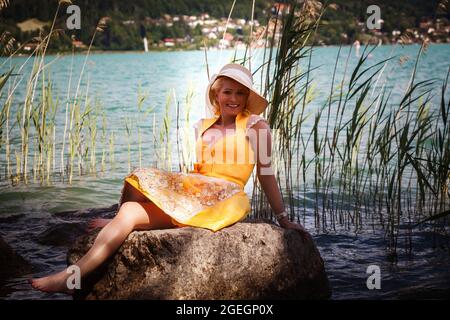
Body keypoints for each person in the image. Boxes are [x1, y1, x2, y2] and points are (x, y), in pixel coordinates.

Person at [30, 63, 307, 294]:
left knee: (133, 210)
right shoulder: (203, 126)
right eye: (227, 92)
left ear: (247, 97)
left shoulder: (256, 125)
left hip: (225, 197)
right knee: (136, 183)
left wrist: (282, 217)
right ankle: (100, 245)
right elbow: (200, 171)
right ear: (216, 94)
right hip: (196, 189)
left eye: (240, 93)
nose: (233, 98)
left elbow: (266, 172)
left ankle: (72, 277)